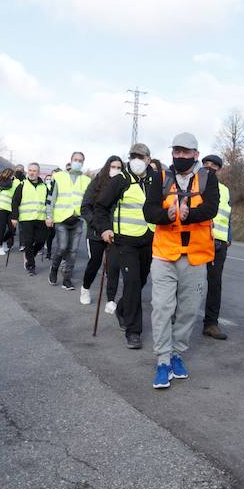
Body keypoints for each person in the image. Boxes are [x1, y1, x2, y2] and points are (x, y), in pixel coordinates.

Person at [144, 133, 220, 388]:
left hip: (196, 256)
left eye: (185, 152)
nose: (179, 156)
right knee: (162, 308)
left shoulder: (209, 177)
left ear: (196, 154)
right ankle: (163, 360)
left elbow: (212, 208)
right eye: (176, 151)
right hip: (165, 254)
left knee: (188, 310)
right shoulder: (161, 176)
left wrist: (189, 216)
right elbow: (149, 210)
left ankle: (177, 353)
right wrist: (167, 214)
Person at [93, 143, 155, 349]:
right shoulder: (120, 180)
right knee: (132, 283)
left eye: (140, 156)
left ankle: (122, 309)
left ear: (148, 159)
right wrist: (104, 229)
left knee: (141, 281)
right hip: (125, 241)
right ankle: (133, 331)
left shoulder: (155, 180)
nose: (136, 159)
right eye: (133, 156)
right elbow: (100, 207)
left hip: (148, 240)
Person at [79, 155, 123, 306]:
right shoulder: (96, 183)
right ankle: (85, 288)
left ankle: (111, 299)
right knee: (95, 262)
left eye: (119, 168)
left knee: (113, 267)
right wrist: (97, 225)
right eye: (113, 167)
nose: (116, 170)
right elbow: (85, 208)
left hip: (115, 232)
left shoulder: (124, 185)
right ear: (107, 167)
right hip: (96, 231)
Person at [46, 151, 90, 291]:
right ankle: (54, 270)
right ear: (71, 161)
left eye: (80, 160)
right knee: (62, 247)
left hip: (77, 220)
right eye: (76, 159)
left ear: (83, 163)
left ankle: (67, 278)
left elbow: (88, 202)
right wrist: (49, 216)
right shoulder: (59, 177)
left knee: (73, 251)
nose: (78, 162)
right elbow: (51, 198)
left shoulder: (86, 180)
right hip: (61, 218)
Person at [199, 154, 231, 341]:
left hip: (218, 243)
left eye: (214, 165)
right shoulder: (196, 186)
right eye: (206, 164)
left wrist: (228, 237)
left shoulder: (226, 191)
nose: (209, 167)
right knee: (188, 282)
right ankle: (177, 316)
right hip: (199, 240)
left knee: (215, 284)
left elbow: (228, 215)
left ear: (219, 169)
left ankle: (211, 324)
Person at [10, 163, 50, 275]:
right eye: (30, 170)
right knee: (28, 242)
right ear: (28, 172)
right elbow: (15, 202)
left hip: (41, 219)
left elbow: (48, 203)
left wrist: (49, 217)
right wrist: (14, 217)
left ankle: (29, 255)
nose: (32, 172)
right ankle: (30, 266)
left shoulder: (44, 187)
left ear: (38, 173)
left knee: (41, 241)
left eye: (34, 171)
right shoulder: (22, 185)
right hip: (26, 219)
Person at [0, 168, 17, 255]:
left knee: (12, 229)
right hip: (0, 208)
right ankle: (0, 247)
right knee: (1, 229)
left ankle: (4, 243)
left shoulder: (14, 183)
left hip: (10, 209)